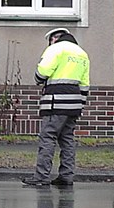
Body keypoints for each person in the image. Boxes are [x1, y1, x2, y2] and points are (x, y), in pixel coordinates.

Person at [22, 28, 90, 187]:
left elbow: (43, 72)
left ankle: (41, 177)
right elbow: (85, 83)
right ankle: (66, 176)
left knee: (48, 137)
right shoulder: (82, 53)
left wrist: (38, 77)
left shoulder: (55, 49)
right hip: (74, 103)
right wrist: (80, 103)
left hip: (55, 102)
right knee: (67, 140)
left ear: (53, 39)